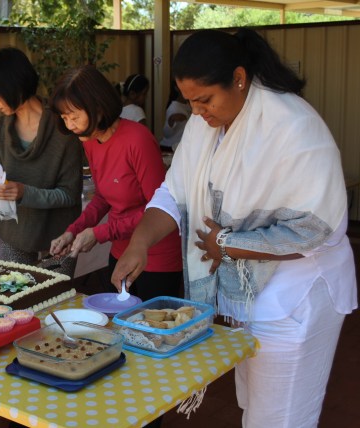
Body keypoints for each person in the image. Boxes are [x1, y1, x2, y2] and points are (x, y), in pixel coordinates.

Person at [111, 29, 357, 428]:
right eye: (190, 101)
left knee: (281, 418)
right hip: (245, 295)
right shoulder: (203, 124)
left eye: (205, 99)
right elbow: (174, 191)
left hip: (297, 295)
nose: (197, 111)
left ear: (239, 79)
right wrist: (139, 242)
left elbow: (317, 229)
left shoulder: (293, 127)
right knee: (255, 408)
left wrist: (227, 244)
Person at [49, 65, 182, 303]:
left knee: (154, 328)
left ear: (98, 108)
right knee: (119, 328)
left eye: (74, 116)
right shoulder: (90, 140)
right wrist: (74, 230)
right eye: (64, 117)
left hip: (157, 257)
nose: (69, 125)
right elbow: (103, 196)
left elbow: (160, 208)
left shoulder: (137, 139)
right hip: (120, 252)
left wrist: (100, 232)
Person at [0, 47, 83, 276]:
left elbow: (69, 195)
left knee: (53, 300)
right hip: (15, 233)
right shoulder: (0, 129)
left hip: (59, 238)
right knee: (16, 303)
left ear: (12, 86)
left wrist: (24, 192)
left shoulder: (63, 127)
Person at [159, 81, 191, 151]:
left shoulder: (188, 105)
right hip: (170, 147)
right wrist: (171, 120)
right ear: (177, 88)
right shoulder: (174, 107)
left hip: (180, 146)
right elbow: (167, 134)